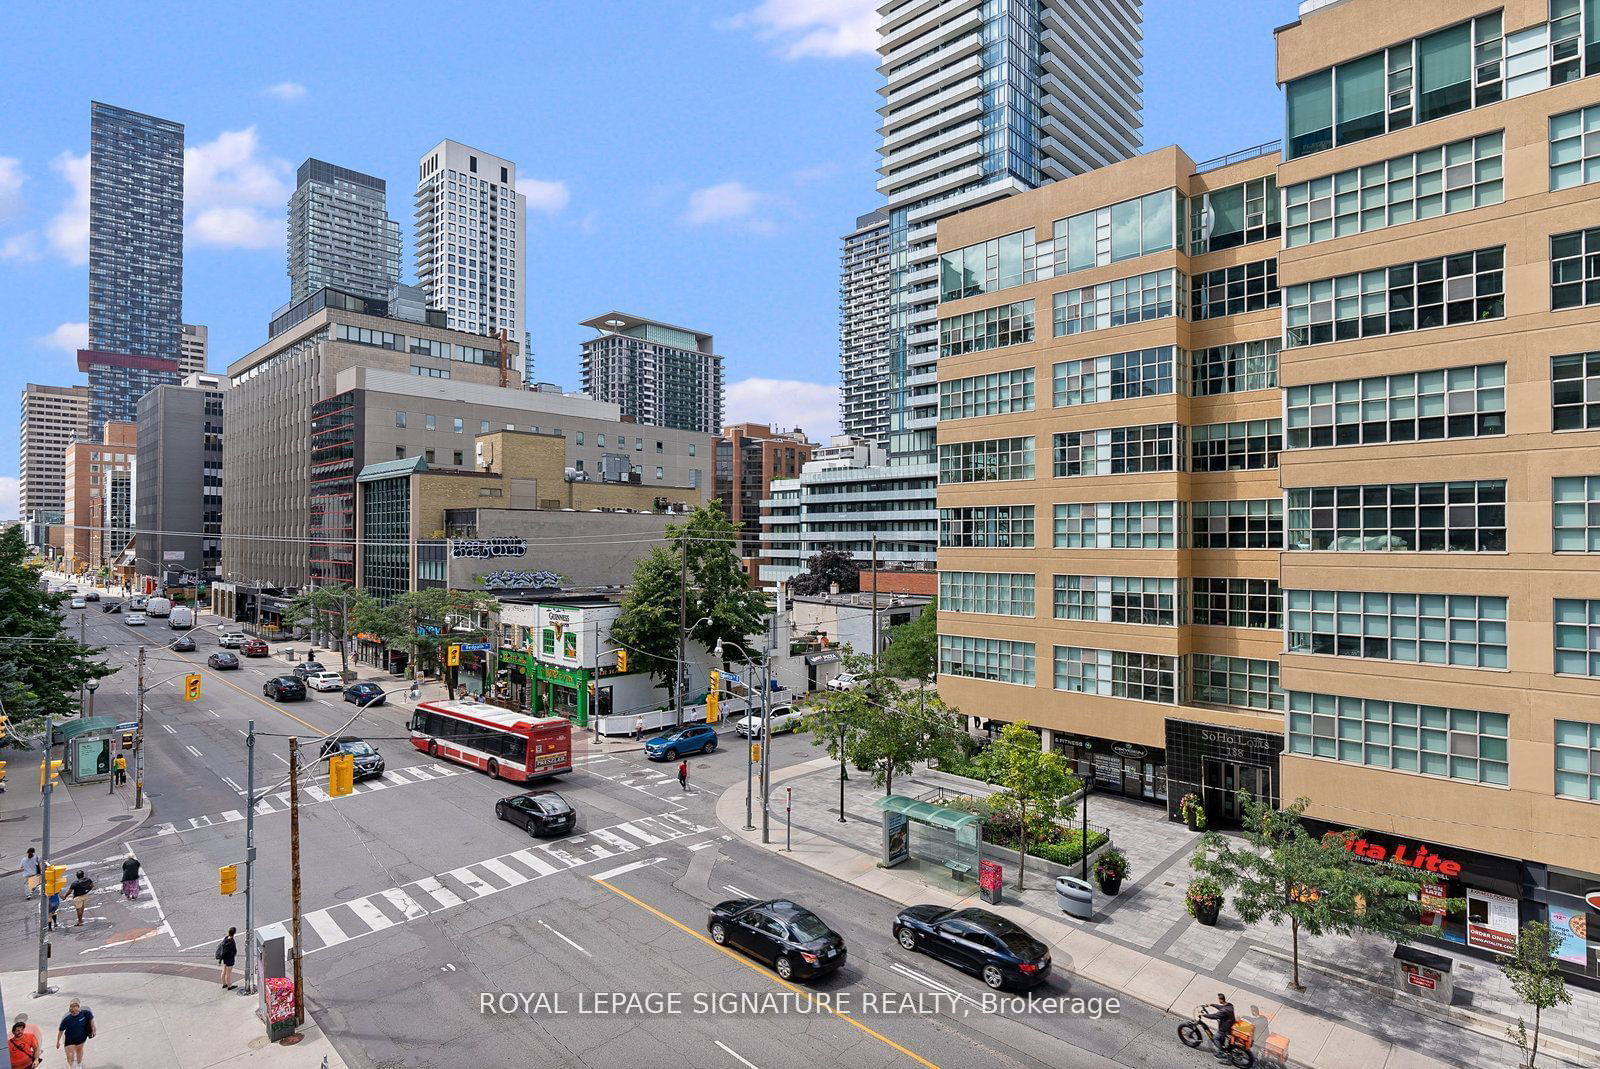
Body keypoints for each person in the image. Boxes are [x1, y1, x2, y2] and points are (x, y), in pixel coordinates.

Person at [55, 1000, 93, 1068]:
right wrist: (58, 1042)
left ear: (78, 1008)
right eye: (72, 1007)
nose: (74, 1008)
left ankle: (79, 1065)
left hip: (81, 1037)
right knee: (69, 1054)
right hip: (69, 1038)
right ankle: (70, 1066)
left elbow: (91, 1020)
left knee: (79, 1051)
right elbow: (61, 1031)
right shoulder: (66, 1019)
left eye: (76, 1006)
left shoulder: (84, 1014)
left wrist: (93, 1030)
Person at [1201, 993, 1237, 1061]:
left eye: (1218, 999)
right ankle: (1222, 1045)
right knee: (1221, 1038)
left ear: (1220, 1000)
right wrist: (1211, 1004)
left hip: (1225, 1028)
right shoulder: (1229, 1005)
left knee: (1216, 1038)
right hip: (1231, 1025)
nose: (1218, 1000)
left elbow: (1214, 1016)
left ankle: (1221, 1053)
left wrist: (1204, 1015)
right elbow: (1221, 1007)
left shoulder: (1223, 1011)